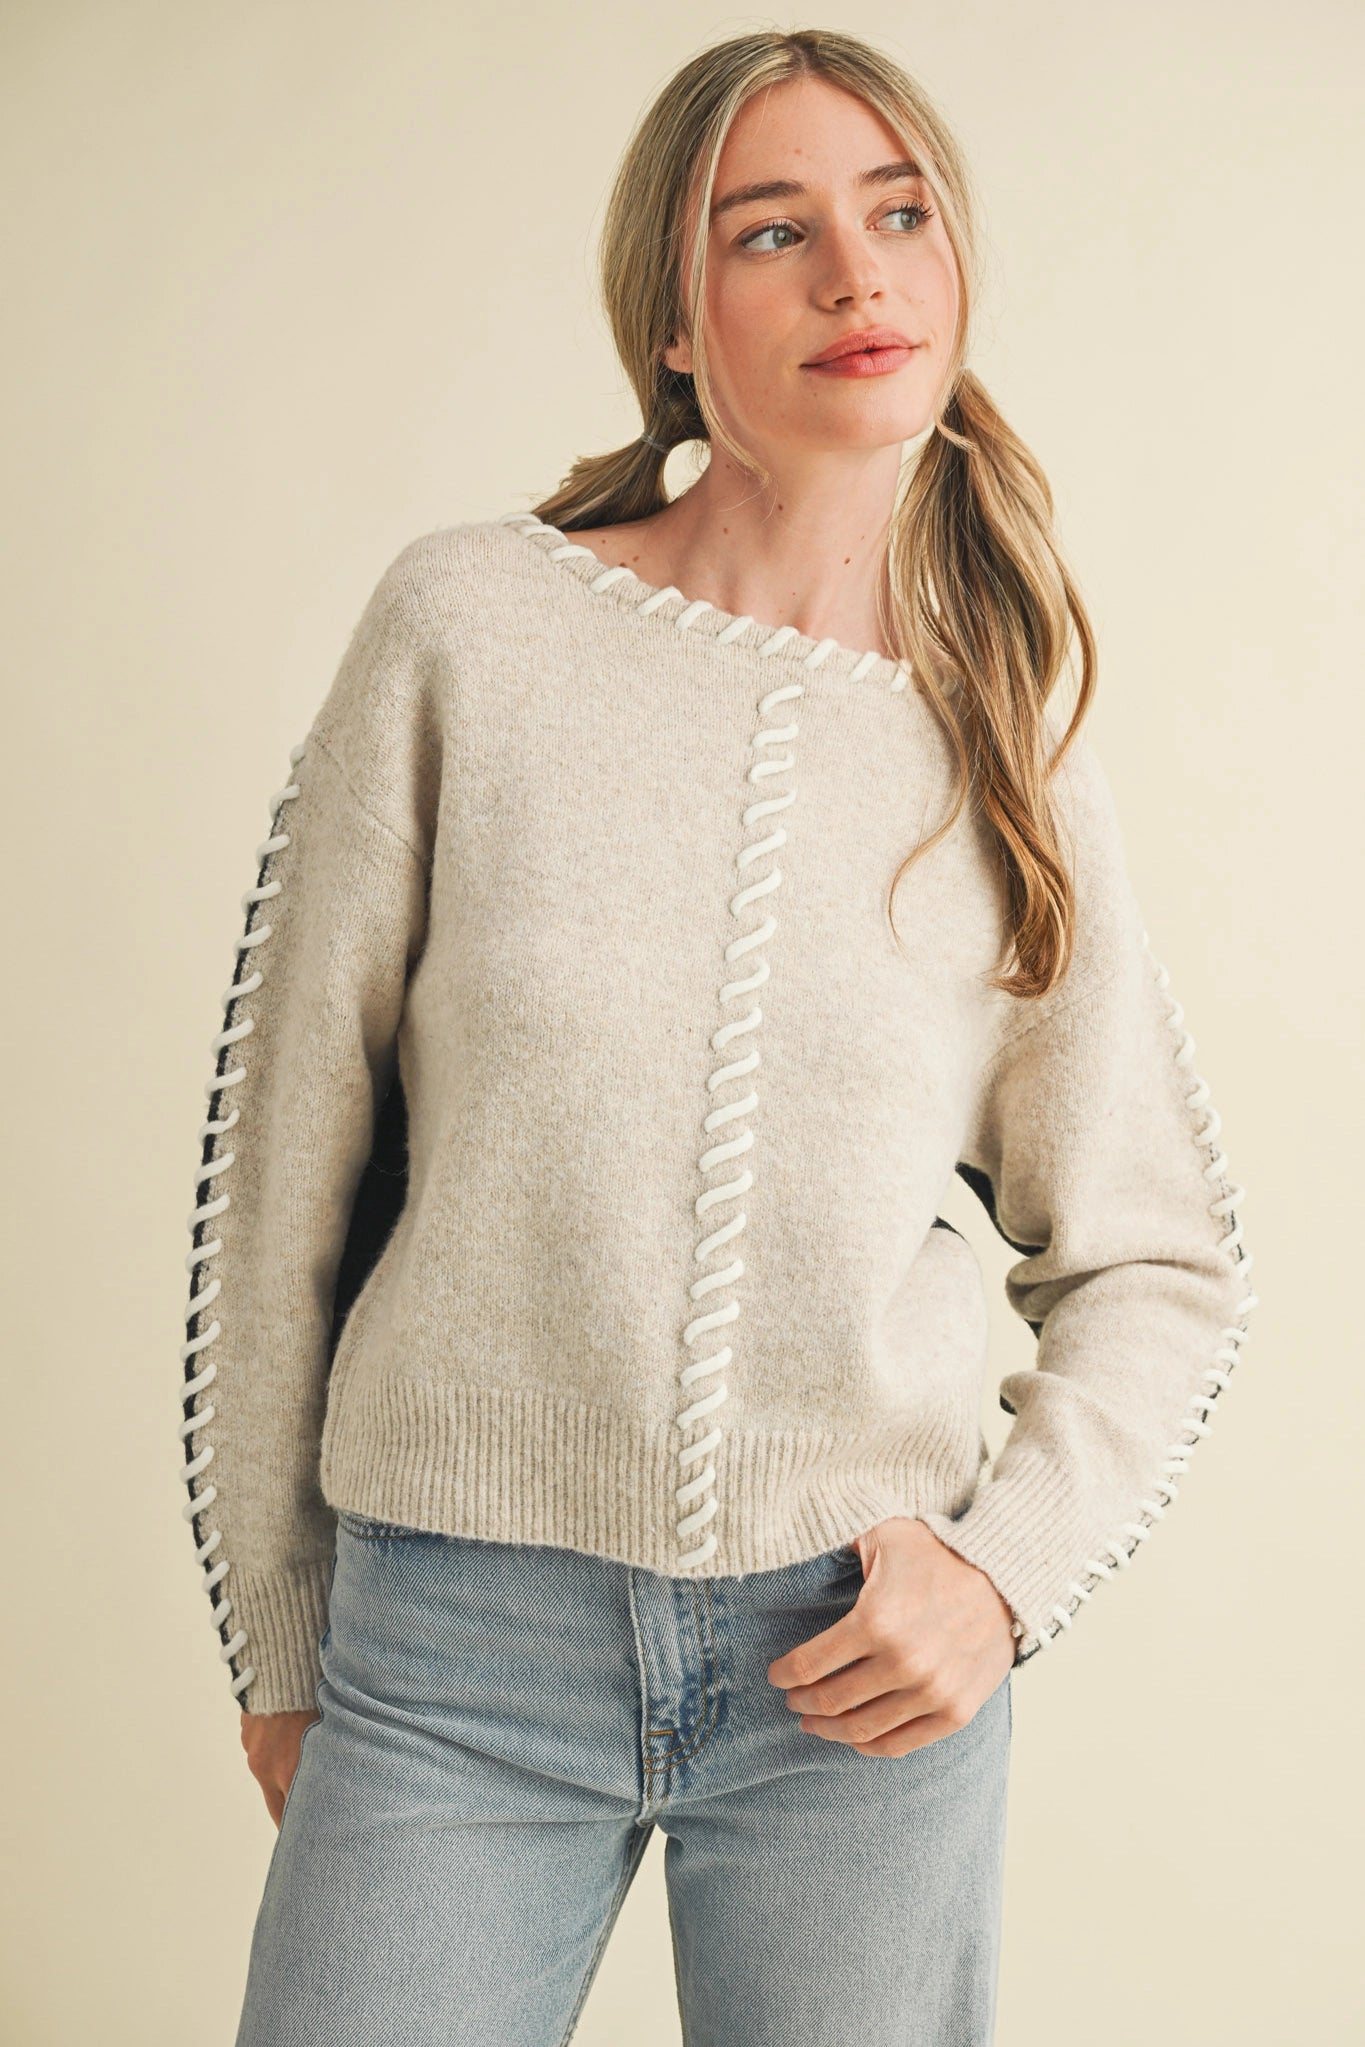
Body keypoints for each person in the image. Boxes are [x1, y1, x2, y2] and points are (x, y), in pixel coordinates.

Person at [178, 26, 1257, 2047]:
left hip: (854, 1664)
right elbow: (280, 1174)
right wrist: (282, 1633)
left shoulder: (1005, 741)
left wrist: (996, 1576)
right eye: (772, 232)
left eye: (897, 214)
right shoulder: (468, 629)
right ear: (671, 328)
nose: (854, 276)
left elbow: (1163, 1261)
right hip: (454, 1651)